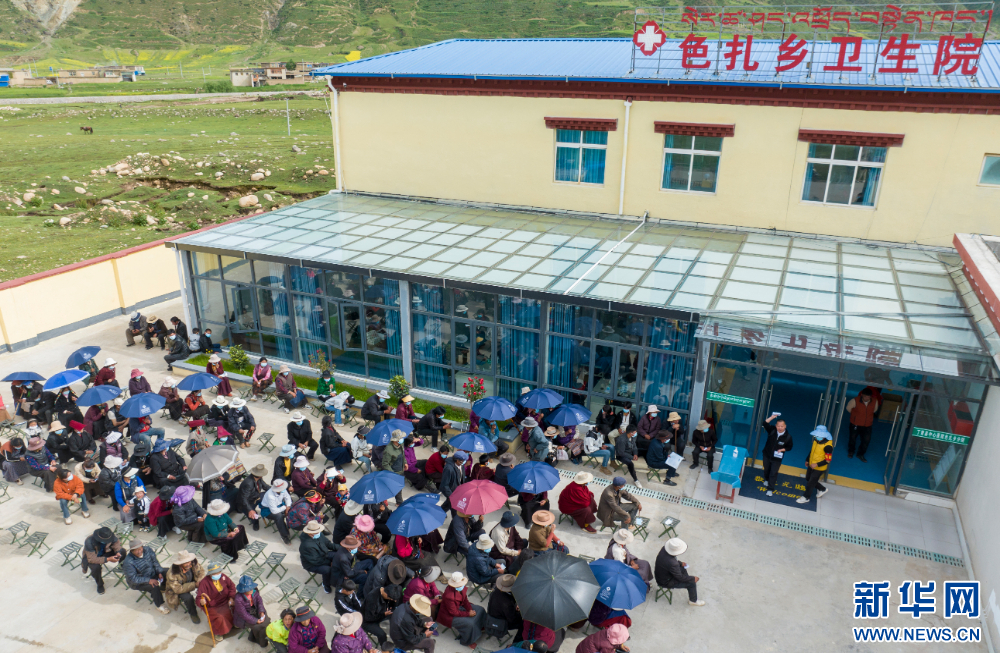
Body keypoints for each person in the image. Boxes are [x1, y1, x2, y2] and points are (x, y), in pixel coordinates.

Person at [123, 538, 171, 614]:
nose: (139, 551)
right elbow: (133, 578)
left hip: (152, 573)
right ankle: (159, 605)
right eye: (136, 550)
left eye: (140, 548)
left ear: (142, 547)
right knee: (154, 586)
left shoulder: (148, 549)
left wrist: (159, 572)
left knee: (167, 571)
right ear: (131, 551)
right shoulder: (128, 562)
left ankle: (163, 587)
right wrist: (148, 580)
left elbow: (155, 562)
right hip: (139, 581)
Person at [438, 571, 486, 648]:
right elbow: (453, 612)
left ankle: (480, 627)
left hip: (460, 606)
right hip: (450, 615)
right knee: (470, 624)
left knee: (480, 610)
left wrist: (469, 609)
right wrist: (468, 614)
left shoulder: (461, 588)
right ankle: (468, 641)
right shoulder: (449, 596)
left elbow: (465, 600)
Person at [654, 538, 704, 606]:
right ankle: (693, 601)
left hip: (662, 574)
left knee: (683, 569)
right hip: (665, 581)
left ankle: (687, 583)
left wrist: (680, 563)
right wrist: (692, 579)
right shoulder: (673, 563)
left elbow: (668, 562)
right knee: (692, 583)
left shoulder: (664, 549)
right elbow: (679, 577)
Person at [197, 561, 237, 635]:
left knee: (237, 606)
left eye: (219, 572)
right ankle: (219, 633)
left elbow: (231, 586)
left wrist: (231, 598)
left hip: (226, 600)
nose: (218, 574)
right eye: (215, 573)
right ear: (210, 574)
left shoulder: (223, 577)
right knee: (220, 617)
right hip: (213, 605)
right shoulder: (204, 582)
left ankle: (234, 623)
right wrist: (201, 602)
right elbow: (199, 597)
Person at [164, 550, 205, 623]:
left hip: (191, 582)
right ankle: (193, 614)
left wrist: (199, 582)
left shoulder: (193, 563)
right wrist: (195, 584)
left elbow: (201, 572)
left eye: (189, 561)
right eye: (185, 562)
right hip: (177, 590)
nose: (188, 564)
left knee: (206, 585)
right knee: (188, 598)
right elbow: (177, 589)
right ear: (180, 563)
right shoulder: (172, 573)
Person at [797, 425, 834, 504]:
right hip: (811, 464)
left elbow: (828, 460)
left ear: (824, 436)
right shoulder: (816, 441)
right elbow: (812, 451)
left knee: (811, 482)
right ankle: (822, 489)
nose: (817, 437)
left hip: (819, 468)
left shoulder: (828, 447)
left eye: (818, 436)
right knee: (808, 478)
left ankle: (806, 497)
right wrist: (807, 460)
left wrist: (817, 464)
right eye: (816, 436)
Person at [298, 520, 338, 592]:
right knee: (327, 570)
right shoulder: (306, 545)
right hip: (312, 564)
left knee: (337, 555)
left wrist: (342, 548)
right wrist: (330, 562)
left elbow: (328, 544)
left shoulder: (319, 534)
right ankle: (326, 584)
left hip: (323, 554)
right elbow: (316, 561)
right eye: (316, 532)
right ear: (310, 533)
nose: (319, 533)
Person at [81, 526, 122, 595]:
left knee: (122, 551)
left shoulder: (110, 535)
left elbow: (116, 543)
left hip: (105, 552)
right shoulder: (89, 541)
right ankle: (100, 584)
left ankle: (122, 566)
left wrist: (118, 552)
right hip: (94, 556)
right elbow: (92, 559)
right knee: (95, 568)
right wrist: (108, 559)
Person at [761, 413, 793, 497]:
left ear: (785, 426)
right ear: (776, 426)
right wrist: (772, 417)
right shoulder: (772, 430)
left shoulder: (788, 437)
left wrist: (783, 449)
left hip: (777, 458)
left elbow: (789, 447)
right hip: (767, 454)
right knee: (766, 469)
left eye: (782, 426)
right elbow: (764, 423)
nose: (780, 428)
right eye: (778, 426)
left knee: (773, 473)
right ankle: (767, 480)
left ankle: (770, 489)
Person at [234, 575, 272, 648]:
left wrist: (261, 612)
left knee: (266, 620)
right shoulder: (238, 599)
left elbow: (259, 602)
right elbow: (244, 615)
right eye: (249, 589)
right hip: (244, 618)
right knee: (259, 626)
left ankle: (253, 637)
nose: (251, 589)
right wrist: (255, 620)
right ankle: (261, 642)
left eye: (251, 587)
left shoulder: (255, 590)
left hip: (255, 609)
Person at [845, 388, 879, 462]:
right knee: (852, 439)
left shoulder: (875, 401)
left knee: (866, 440)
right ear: (862, 395)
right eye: (865, 396)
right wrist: (856, 416)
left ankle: (860, 454)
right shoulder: (854, 400)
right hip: (855, 424)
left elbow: (874, 410)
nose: (867, 398)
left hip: (867, 425)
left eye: (869, 397)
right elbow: (848, 408)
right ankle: (851, 451)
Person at [487, 573, 522, 643]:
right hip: (501, 621)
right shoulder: (507, 603)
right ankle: (515, 643)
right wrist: (519, 612)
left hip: (492, 613)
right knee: (524, 623)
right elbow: (512, 619)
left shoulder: (496, 590)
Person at [261, 478, 294, 545]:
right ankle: (284, 536)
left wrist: (288, 507)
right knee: (279, 516)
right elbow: (274, 511)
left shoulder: (283, 490)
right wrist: (284, 507)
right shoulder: (270, 496)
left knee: (292, 509)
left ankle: (292, 525)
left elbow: (287, 498)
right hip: (268, 510)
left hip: (280, 505)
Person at [239, 464, 270, 531]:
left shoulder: (259, 479)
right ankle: (255, 523)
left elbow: (265, 486)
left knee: (269, 498)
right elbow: (244, 499)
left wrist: (274, 490)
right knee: (253, 515)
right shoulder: (249, 483)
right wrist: (250, 510)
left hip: (256, 496)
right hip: (248, 502)